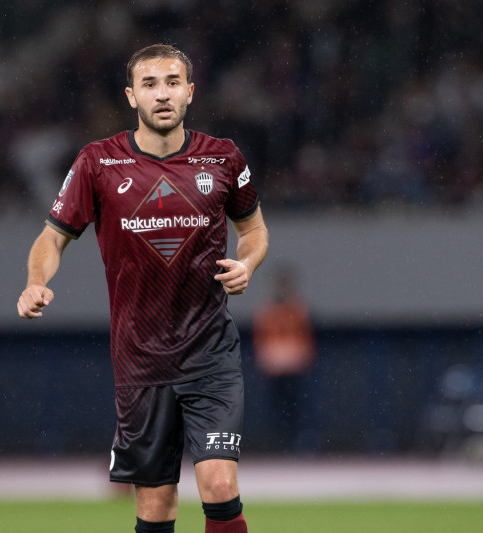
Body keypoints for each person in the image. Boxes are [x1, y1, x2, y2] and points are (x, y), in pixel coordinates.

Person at [17, 43, 268, 533]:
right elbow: (52, 237)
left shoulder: (222, 157)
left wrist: (249, 264)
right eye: (149, 84)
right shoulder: (98, 163)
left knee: (219, 485)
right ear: (131, 95)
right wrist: (35, 282)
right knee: (157, 507)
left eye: (173, 82)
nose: (162, 94)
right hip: (140, 361)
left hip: (210, 353)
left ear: (190, 93)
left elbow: (254, 230)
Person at [252, 265, 315, 453]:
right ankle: (278, 440)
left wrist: (305, 356)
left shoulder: (298, 308)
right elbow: (261, 337)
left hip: (294, 363)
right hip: (275, 364)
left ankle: (294, 440)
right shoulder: (267, 310)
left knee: (295, 404)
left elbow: (305, 335)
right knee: (277, 405)